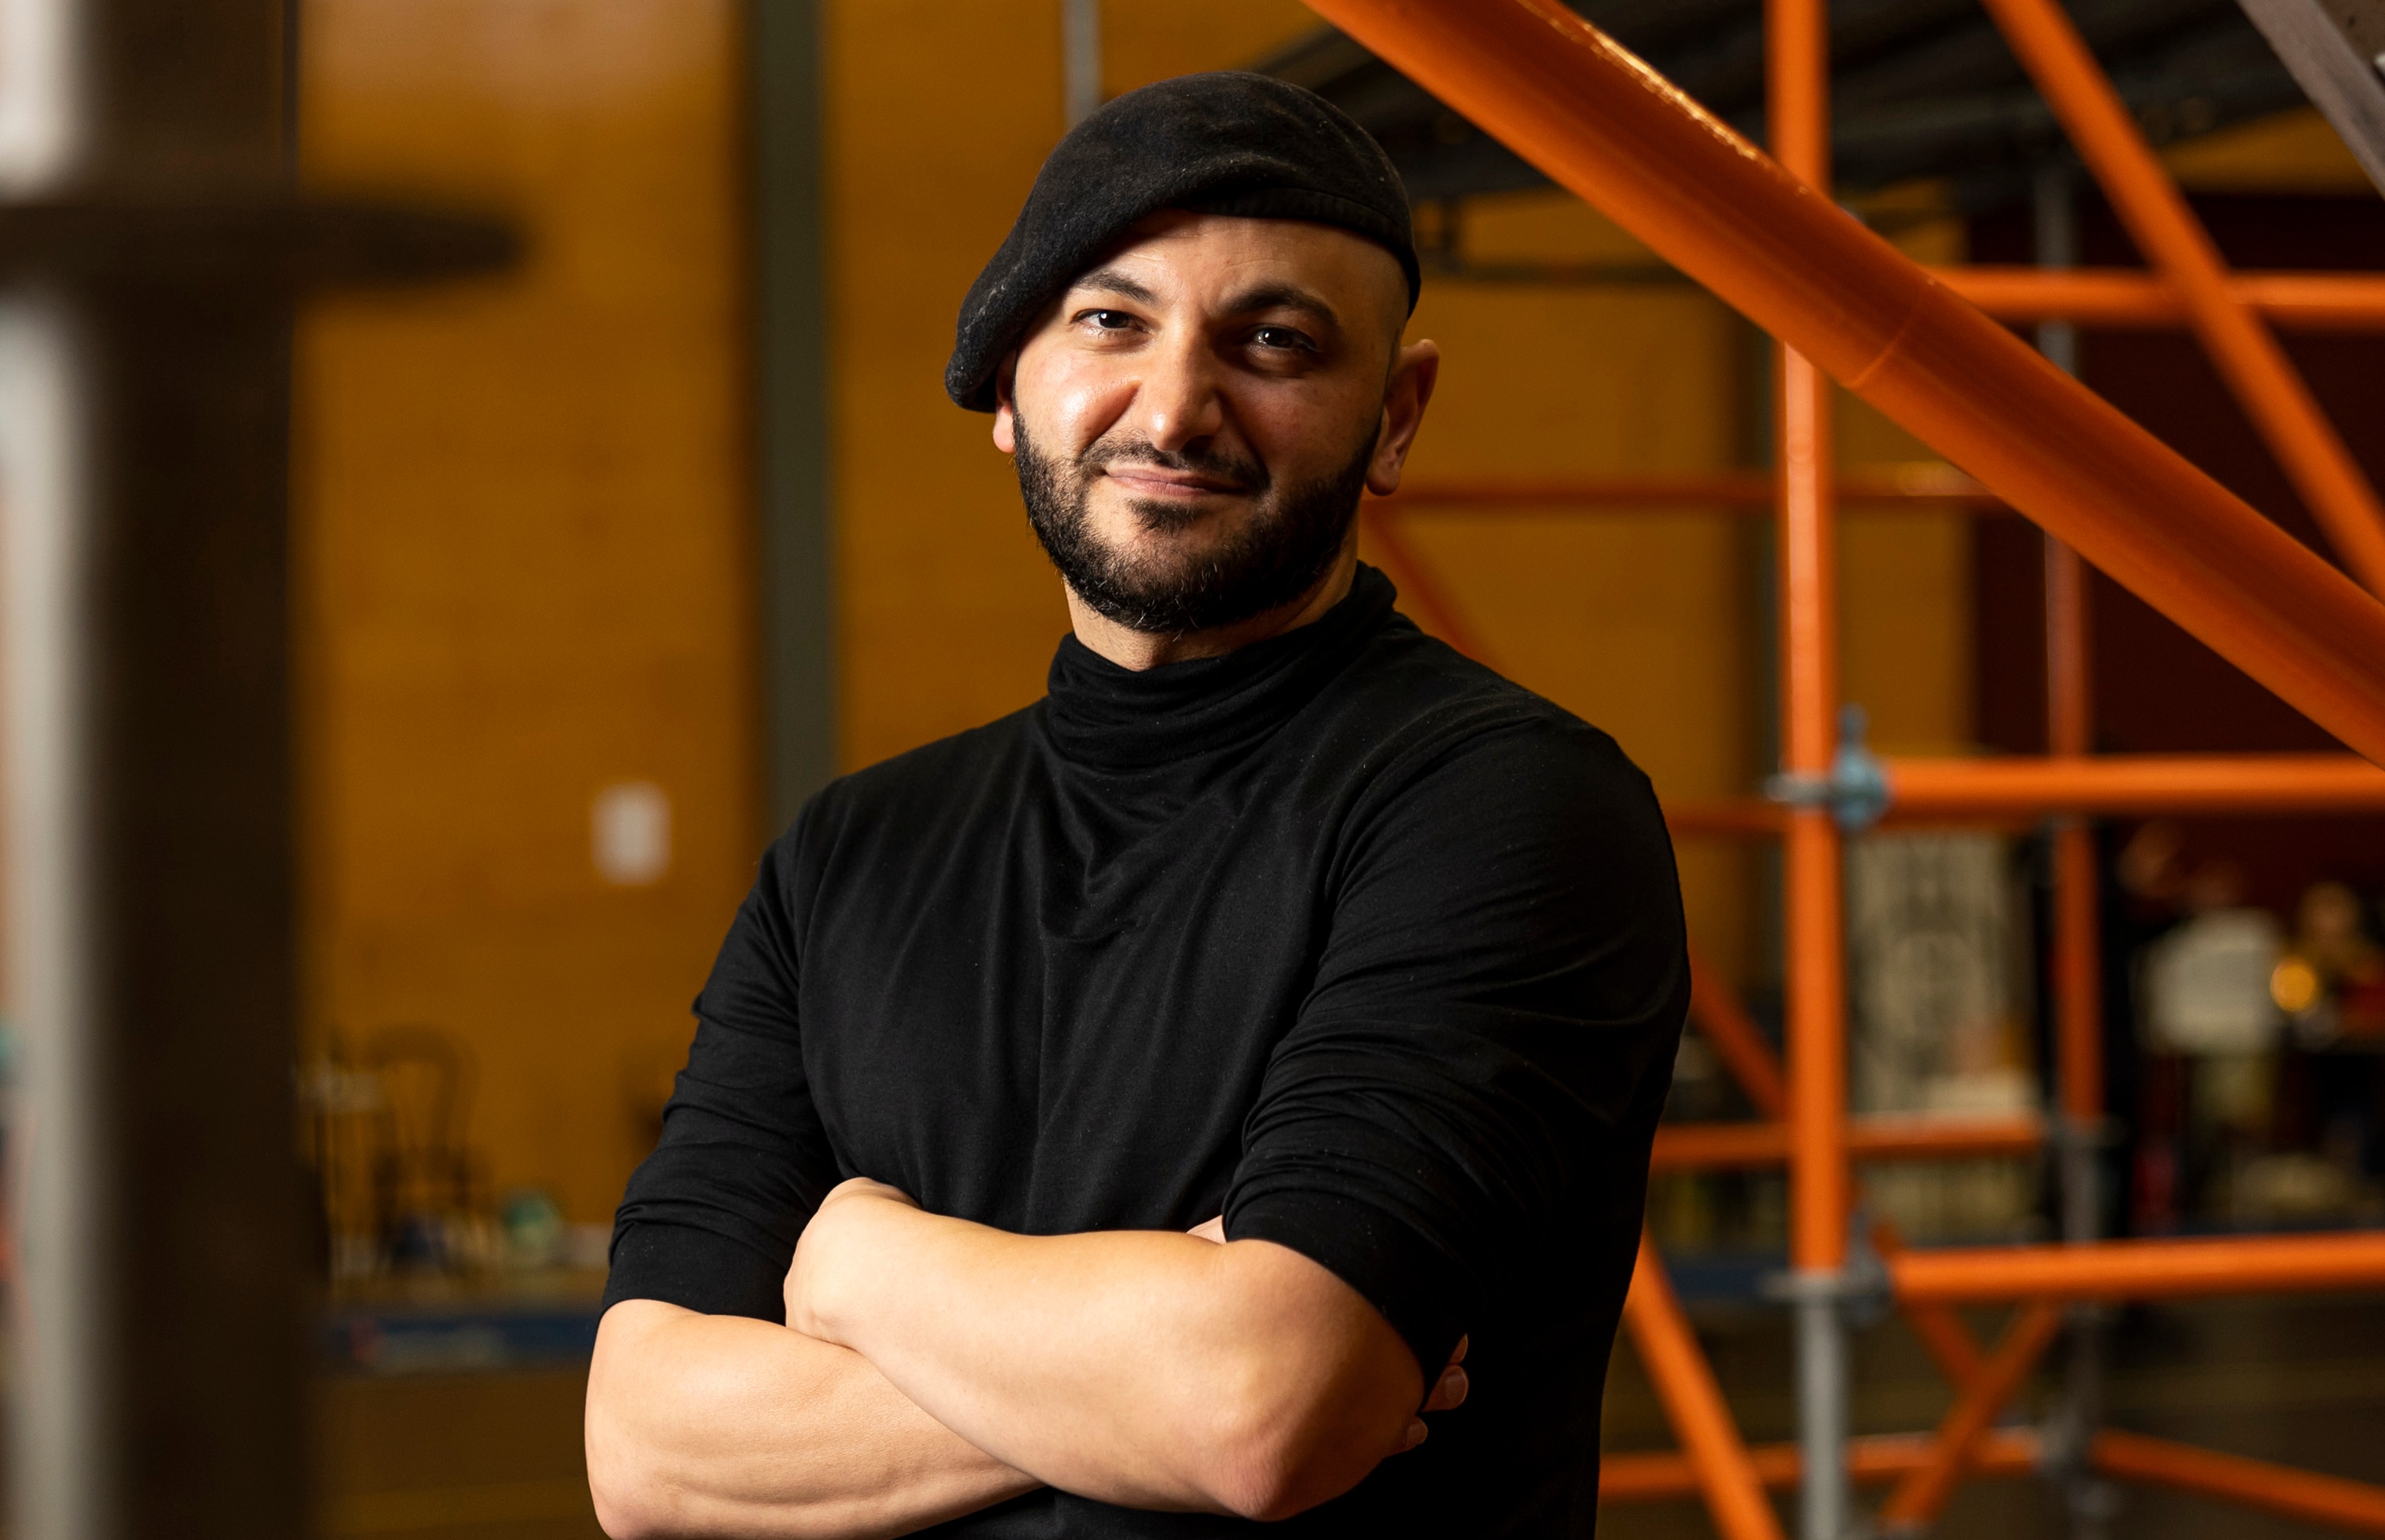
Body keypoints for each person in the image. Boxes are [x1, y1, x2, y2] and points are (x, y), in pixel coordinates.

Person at [584, 72, 1685, 1538]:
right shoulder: (853, 855)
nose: (1174, 406)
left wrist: (856, 1268)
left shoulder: (1508, 808)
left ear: (1397, 414)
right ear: (1007, 381)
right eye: (1111, 322)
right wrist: (1143, 1371)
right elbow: (649, 1447)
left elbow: (1264, 1407)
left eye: (1275, 341)